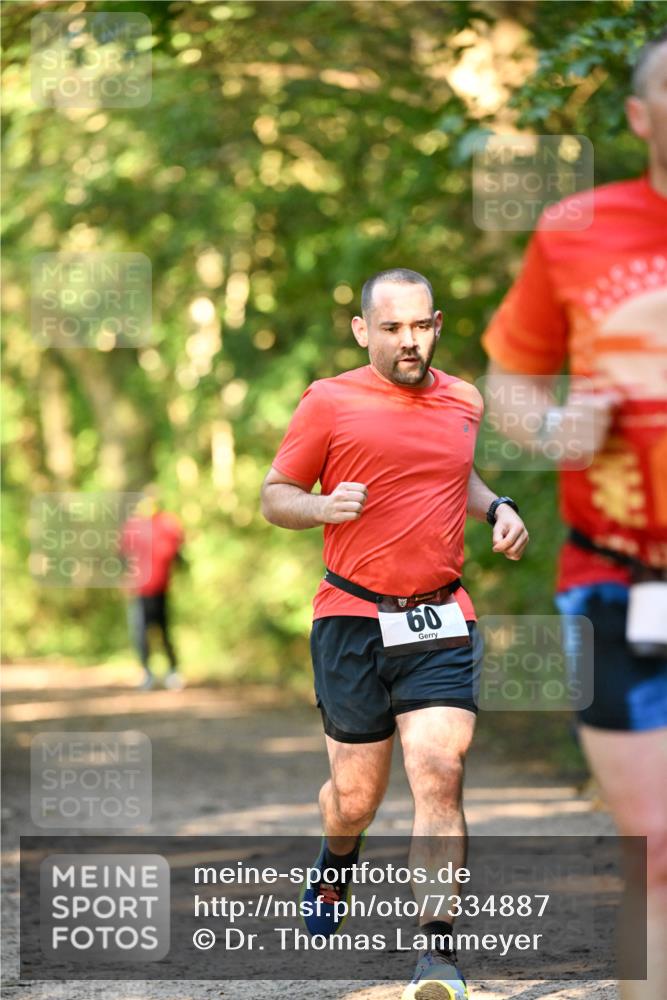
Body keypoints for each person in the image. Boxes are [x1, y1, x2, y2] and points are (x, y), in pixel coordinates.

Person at [261, 268, 529, 999]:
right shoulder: (329, 401)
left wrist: (495, 505)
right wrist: (320, 509)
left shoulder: (463, 399)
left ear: (436, 323)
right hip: (350, 618)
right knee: (354, 798)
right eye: (390, 329)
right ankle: (337, 857)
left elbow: (452, 474)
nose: (407, 342)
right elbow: (273, 496)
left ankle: (435, 951)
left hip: (440, 615)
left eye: (419, 327)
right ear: (362, 330)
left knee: (438, 771)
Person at [481, 33, 667, 1000]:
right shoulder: (577, 227)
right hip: (613, 578)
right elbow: (507, 384)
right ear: (640, 117)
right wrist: (554, 431)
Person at [120, 486, 185, 690]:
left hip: (161, 588)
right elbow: (122, 556)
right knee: (141, 632)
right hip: (139, 590)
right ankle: (147, 673)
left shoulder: (168, 524)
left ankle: (173, 671)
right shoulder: (132, 526)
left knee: (163, 630)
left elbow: (177, 554)